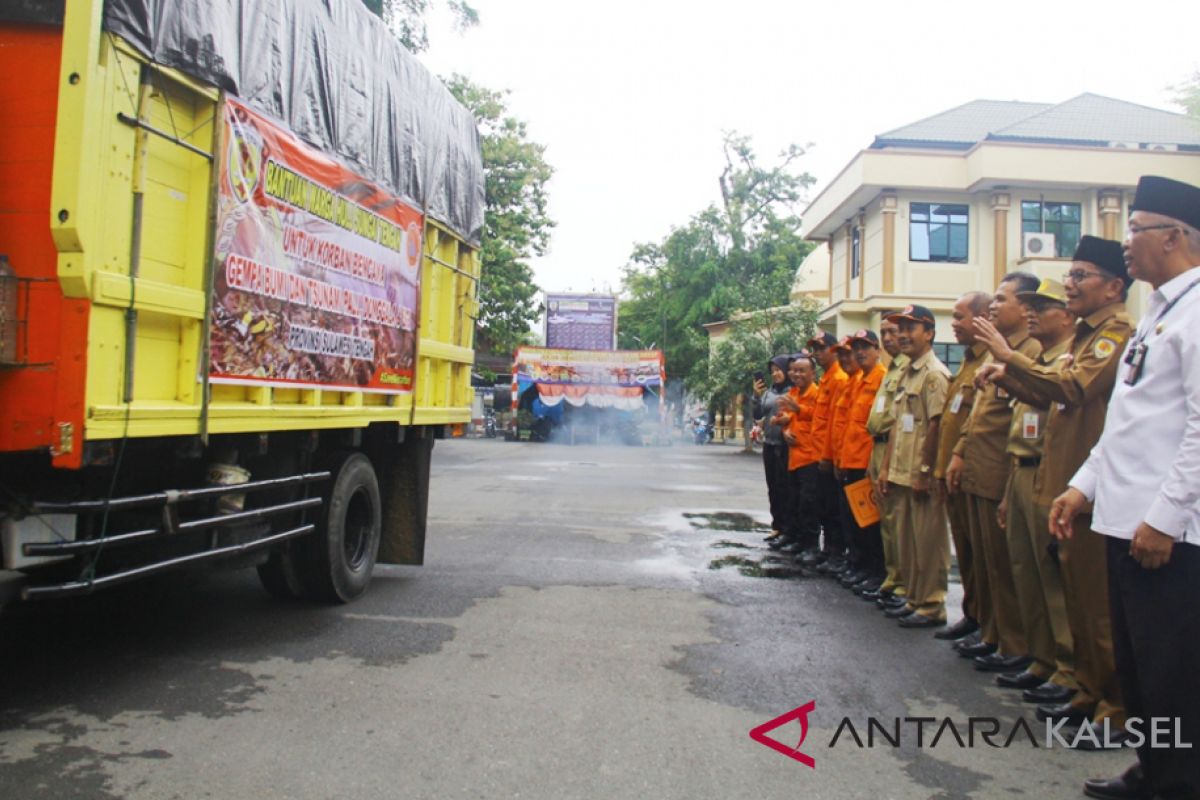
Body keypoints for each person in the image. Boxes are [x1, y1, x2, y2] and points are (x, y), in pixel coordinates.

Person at [1051, 176, 1200, 799]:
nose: (1128, 243)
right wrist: (1083, 486)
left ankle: (1181, 781)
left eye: (1137, 230)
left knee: (1173, 670)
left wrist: (1166, 517)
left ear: (1176, 237)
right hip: (1121, 517)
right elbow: (1127, 421)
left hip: (1165, 530)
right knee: (1139, 667)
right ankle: (1154, 768)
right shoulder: (1157, 313)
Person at [975, 236, 1132, 741]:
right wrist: (1010, 374)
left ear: (1114, 286)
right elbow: (1048, 396)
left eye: (1081, 275)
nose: (1071, 284)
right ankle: (1086, 690)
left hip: (1096, 487)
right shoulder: (1088, 337)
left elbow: (1074, 389)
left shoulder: (1116, 333)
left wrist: (1009, 358)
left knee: (1095, 603)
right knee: (1078, 599)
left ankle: (1114, 708)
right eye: (1071, 274)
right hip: (1065, 479)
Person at [946, 272, 1042, 671]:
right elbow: (977, 415)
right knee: (985, 562)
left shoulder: (1030, 352)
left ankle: (1013, 644)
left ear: (1027, 308)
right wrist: (960, 452)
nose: (995, 307)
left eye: (1003, 300)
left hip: (1001, 471)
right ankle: (991, 632)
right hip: (976, 468)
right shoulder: (993, 352)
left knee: (1007, 566)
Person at [991, 279, 1079, 701]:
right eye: (1028, 306)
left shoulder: (1068, 362)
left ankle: (1068, 669)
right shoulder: (1042, 360)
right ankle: (1042, 660)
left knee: (1054, 579)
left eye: (1040, 307)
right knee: (1027, 572)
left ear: (1066, 315)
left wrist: (1010, 364)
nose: (1031, 314)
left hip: (1053, 475)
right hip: (1022, 471)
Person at [878, 305, 951, 628]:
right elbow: (896, 424)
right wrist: (886, 469)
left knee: (927, 540)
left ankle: (931, 603)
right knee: (906, 539)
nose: (903, 334)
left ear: (930, 333)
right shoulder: (907, 371)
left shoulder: (934, 374)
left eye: (911, 328)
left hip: (921, 472)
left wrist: (926, 471)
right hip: (900, 469)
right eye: (901, 327)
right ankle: (914, 597)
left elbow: (937, 427)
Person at [932, 291, 992, 643]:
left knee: (988, 559)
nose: (953, 324)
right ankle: (974, 616)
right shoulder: (969, 362)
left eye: (959, 317)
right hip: (954, 471)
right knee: (968, 552)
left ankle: (992, 628)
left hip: (976, 471)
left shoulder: (993, 361)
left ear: (984, 317)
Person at [835, 330, 887, 591]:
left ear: (877, 350)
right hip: (850, 461)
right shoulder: (858, 381)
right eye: (856, 347)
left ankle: (874, 572)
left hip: (866, 464)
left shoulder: (881, 380)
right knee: (854, 521)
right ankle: (859, 566)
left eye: (865, 346)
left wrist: (871, 465)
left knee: (870, 524)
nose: (859, 352)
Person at [864, 318, 908, 603]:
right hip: (877, 447)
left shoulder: (907, 369)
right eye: (883, 333)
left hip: (895, 448)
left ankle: (904, 584)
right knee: (886, 522)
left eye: (893, 332)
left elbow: (898, 421)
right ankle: (892, 579)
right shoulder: (892, 369)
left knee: (900, 523)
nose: (888, 338)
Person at [805, 331, 849, 568]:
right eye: (815, 349)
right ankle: (829, 549)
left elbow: (835, 423)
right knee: (823, 505)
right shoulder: (827, 380)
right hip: (817, 453)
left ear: (834, 350)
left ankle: (836, 553)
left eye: (822, 348)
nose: (817, 354)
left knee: (832, 508)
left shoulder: (840, 379)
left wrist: (829, 456)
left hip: (828, 456)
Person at [776, 353, 821, 559]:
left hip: (810, 456)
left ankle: (811, 545)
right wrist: (784, 431)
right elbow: (787, 419)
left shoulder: (816, 393)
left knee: (809, 503)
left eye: (802, 371)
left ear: (813, 373)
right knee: (794, 500)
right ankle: (797, 539)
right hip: (794, 456)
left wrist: (798, 408)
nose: (796, 374)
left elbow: (820, 417)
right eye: (794, 370)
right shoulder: (793, 392)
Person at [825, 337, 862, 575]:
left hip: (861, 462)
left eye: (850, 353)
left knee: (862, 522)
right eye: (843, 354)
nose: (846, 359)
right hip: (843, 460)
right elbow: (835, 426)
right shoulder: (848, 382)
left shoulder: (870, 380)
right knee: (844, 517)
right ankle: (852, 563)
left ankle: (864, 568)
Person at [753, 356, 793, 542]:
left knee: (786, 487)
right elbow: (758, 414)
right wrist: (756, 396)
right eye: (773, 371)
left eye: (779, 370)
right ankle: (777, 526)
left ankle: (788, 529)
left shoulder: (793, 391)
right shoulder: (768, 393)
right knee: (773, 487)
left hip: (786, 446)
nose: (775, 374)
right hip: (769, 444)